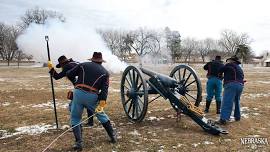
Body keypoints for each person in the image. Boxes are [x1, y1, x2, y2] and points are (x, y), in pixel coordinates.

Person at [66, 52, 116, 150]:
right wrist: (102, 102)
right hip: (92, 96)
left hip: (78, 93)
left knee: (75, 117)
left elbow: (69, 74)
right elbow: (104, 89)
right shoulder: (105, 73)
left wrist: (76, 83)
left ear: (92, 59)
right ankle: (113, 136)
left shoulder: (83, 65)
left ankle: (79, 143)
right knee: (102, 116)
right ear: (101, 61)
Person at [47, 55, 94, 127]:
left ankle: (77, 123)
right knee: (89, 104)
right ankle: (90, 122)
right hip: (90, 85)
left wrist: (51, 68)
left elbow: (57, 77)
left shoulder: (67, 66)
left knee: (72, 106)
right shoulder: (75, 63)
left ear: (62, 64)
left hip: (82, 87)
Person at [217, 55, 244, 125]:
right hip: (240, 85)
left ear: (232, 61)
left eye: (230, 60)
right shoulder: (239, 68)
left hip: (231, 84)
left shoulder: (229, 65)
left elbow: (220, 70)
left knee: (227, 101)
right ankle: (237, 117)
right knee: (236, 100)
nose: (228, 61)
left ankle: (223, 119)